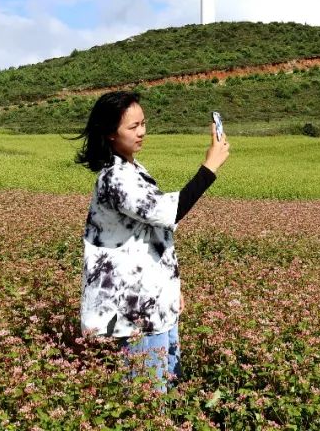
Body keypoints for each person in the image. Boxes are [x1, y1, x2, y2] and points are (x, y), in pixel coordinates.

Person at [76, 90, 229, 392]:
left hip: (155, 303)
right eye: (133, 127)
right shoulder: (114, 177)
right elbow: (167, 213)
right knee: (150, 400)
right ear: (109, 133)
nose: (142, 132)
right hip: (135, 312)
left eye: (143, 123)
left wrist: (171, 289)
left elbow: (153, 235)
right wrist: (209, 167)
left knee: (169, 389)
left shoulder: (135, 169)